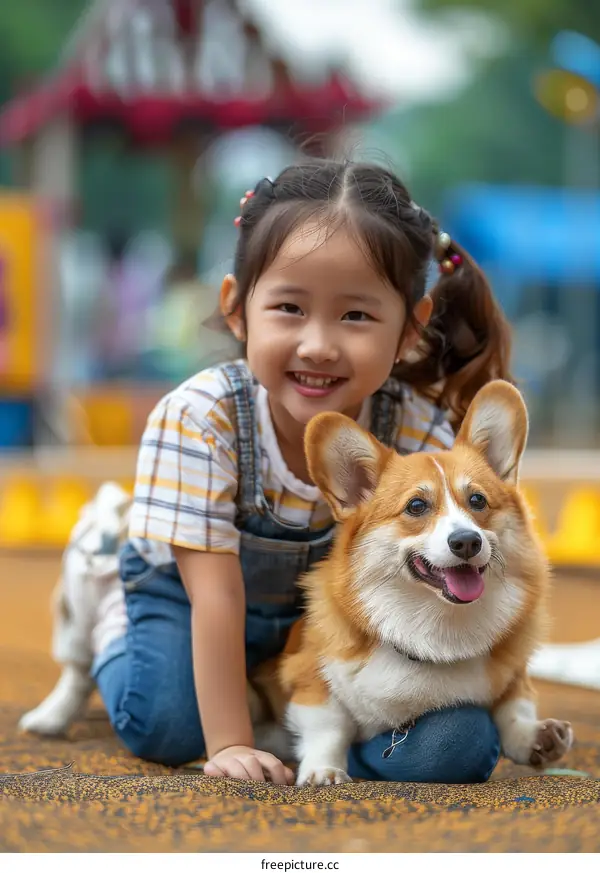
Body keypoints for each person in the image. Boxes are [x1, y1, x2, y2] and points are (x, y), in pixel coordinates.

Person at [26, 159, 513, 784]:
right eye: (289, 307)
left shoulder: (419, 435)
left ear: (411, 329)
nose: (317, 344)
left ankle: (332, 748)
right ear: (237, 310)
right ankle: (116, 620)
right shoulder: (201, 418)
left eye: (356, 316)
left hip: (327, 626)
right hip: (192, 597)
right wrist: (226, 745)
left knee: (455, 749)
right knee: (169, 727)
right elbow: (216, 594)